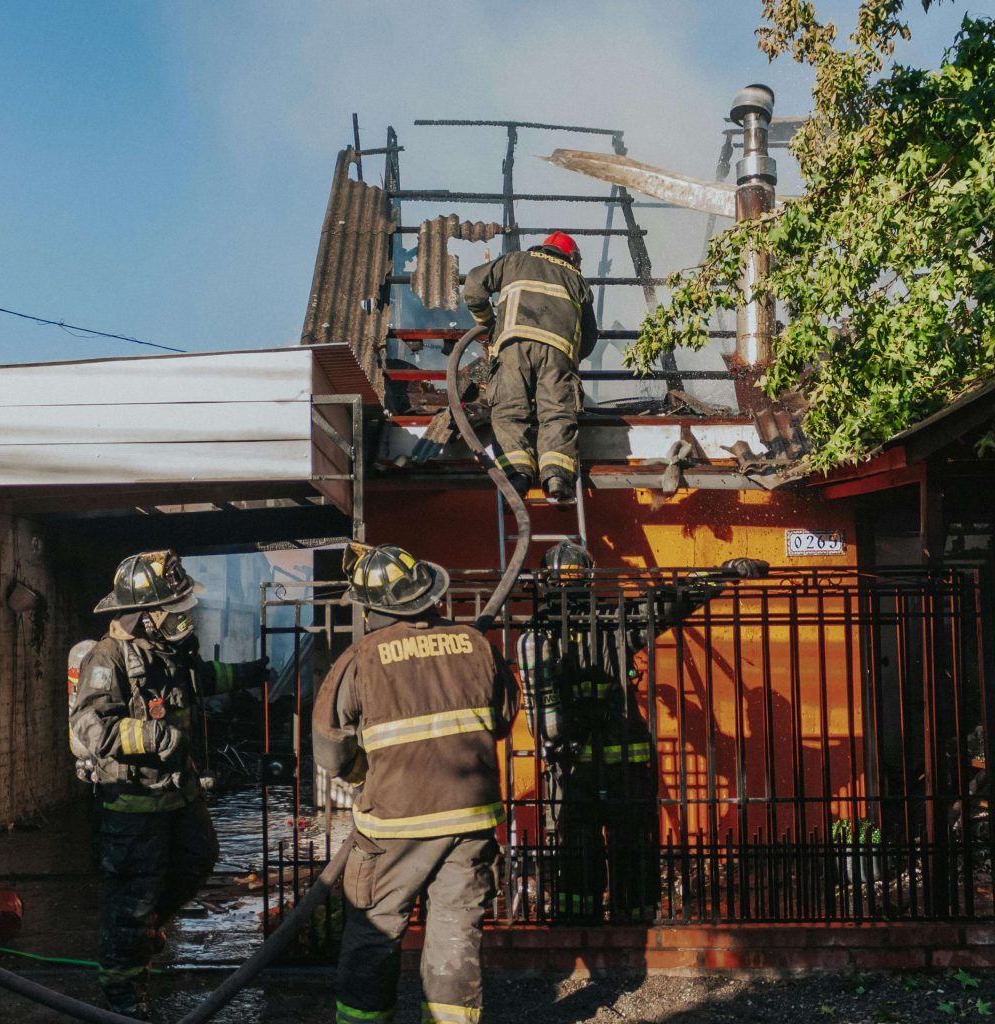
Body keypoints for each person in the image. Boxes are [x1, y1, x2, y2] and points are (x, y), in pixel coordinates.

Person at [313, 543, 520, 1024]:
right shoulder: (476, 644)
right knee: (456, 930)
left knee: (375, 929)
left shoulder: (361, 657)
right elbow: (504, 718)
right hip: (471, 818)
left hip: (394, 825)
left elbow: (329, 746)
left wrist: (359, 772)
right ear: (429, 591)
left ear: (371, 607)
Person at [518, 542, 769, 922]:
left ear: (545, 581)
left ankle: (577, 926)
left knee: (576, 851)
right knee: (631, 848)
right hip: (626, 766)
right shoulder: (614, 618)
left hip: (569, 768)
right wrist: (723, 573)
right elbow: (671, 600)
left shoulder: (537, 632)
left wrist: (724, 574)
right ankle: (633, 923)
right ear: (588, 577)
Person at [70, 549, 268, 1020]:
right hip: (133, 808)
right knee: (130, 905)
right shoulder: (109, 657)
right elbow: (89, 728)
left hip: (179, 796)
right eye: (173, 609)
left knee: (201, 857)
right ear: (146, 614)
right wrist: (154, 736)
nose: (184, 618)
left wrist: (247, 675)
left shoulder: (167, 652)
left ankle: (153, 923)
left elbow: (197, 680)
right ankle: (122, 999)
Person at [463, 232, 598, 505]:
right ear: (572, 257)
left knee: (510, 411)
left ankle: (517, 475)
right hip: (558, 354)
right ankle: (557, 477)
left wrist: (489, 323)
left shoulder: (515, 261)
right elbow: (589, 338)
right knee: (558, 414)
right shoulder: (577, 281)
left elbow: (473, 286)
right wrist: (570, 359)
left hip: (514, 347)